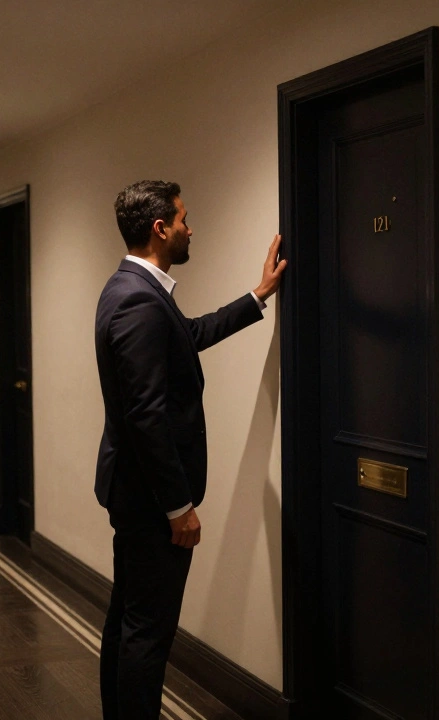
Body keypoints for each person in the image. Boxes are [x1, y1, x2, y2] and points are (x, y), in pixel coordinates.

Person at [93, 180, 286, 719]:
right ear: (160, 228)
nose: (190, 228)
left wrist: (258, 296)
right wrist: (179, 507)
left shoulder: (132, 288)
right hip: (152, 501)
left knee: (129, 621)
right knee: (147, 634)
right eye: (184, 218)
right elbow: (146, 415)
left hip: (135, 493)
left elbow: (189, 335)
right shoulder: (138, 299)